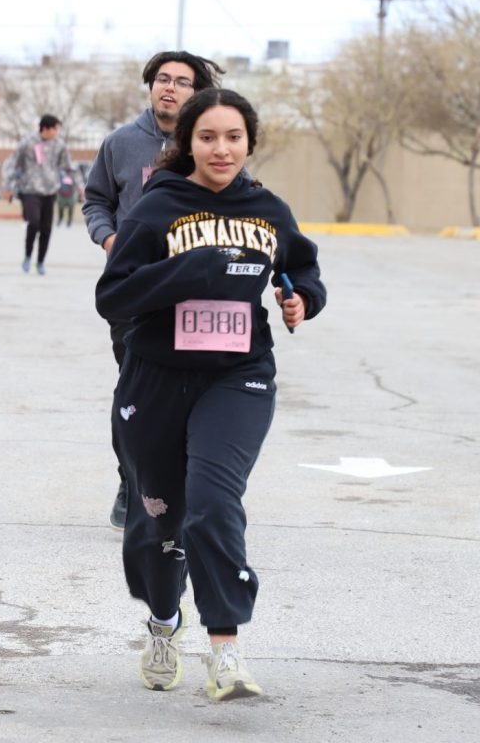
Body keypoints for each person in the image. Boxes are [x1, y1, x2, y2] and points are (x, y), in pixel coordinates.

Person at [95, 88, 325, 702]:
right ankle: (163, 621)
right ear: (188, 143)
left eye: (233, 137)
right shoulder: (158, 207)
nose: (221, 149)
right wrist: (190, 270)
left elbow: (302, 267)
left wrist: (301, 298)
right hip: (156, 378)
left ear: (249, 143)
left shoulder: (267, 210)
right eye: (208, 137)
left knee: (214, 503)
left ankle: (226, 650)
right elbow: (113, 295)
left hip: (238, 375)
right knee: (158, 518)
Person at [83, 51, 224, 530]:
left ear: (197, 93)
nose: (170, 88)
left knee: (189, 395)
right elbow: (97, 201)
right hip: (133, 291)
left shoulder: (209, 146)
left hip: (192, 292)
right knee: (136, 393)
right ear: (150, 86)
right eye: (163, 79)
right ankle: (132, 481)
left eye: (182, 82)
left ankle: (181, 488)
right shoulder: (120, 143)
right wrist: (109, 240)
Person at [6, 114, 70, 275]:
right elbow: (13, 163)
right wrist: (9, 185)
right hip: (30, 190)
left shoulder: (60, 145)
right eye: (55, 129)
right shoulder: (27, 142)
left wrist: (81, 186)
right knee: (33, 222)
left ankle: (40, 262)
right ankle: (28, 256)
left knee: (46, 228)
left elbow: (68, 167)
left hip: (50, 191)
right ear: (46, 129)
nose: (57, 132)